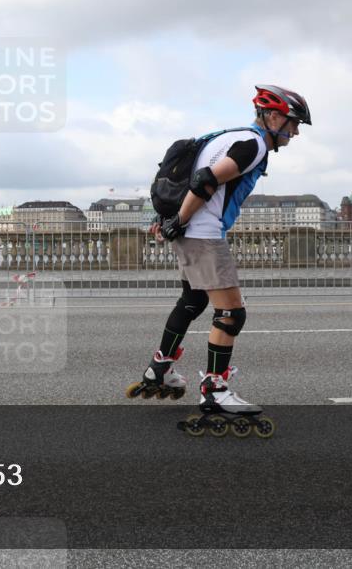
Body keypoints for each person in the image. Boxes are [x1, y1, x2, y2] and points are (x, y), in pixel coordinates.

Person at [131, 85, 311, 432]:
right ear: (272, 116)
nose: (296, 131)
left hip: (191, 228)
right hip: (203, 233)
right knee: (231, 313)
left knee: (193, 298)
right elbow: (205, 181)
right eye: (293, 122)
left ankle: (160, 368)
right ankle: (215, 388)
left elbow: (193, 176)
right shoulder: (255, 144)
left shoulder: (231, 136)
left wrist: (170, 220)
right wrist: (179, 221)